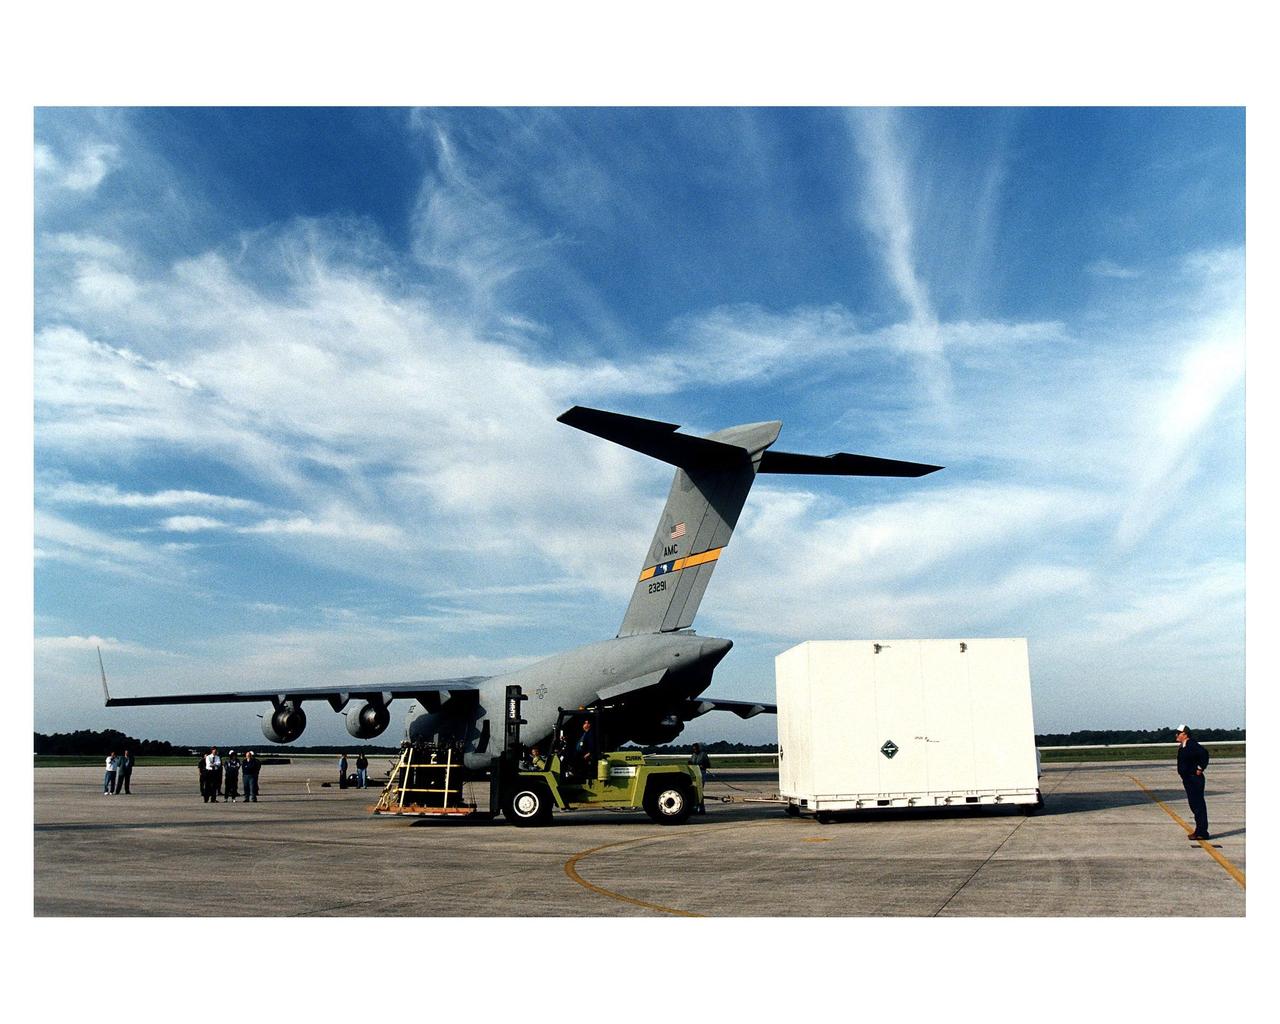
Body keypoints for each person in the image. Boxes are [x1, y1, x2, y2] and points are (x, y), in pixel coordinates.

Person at [1177, 724, 1211, 840]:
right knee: (1194, 805)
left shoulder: (1191, 744)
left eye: (1178, 733)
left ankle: (1202, 832)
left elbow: (1204, 754)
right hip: (1188, 779)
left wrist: (1200, 768)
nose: (1176, 735)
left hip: (1194, 779)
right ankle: (1200, 830)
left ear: (1185, 734)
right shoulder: (1184, 746)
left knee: (1198, 805)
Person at [689, 743, 711, 814]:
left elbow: (708, 764)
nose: (695, 750)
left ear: (699, 748)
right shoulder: (693, 755)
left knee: (700, 791)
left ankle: (701, 808)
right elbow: (690, 762)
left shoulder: (703, 754)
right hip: (694, 774)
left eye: (696, 749)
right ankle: (695, 807)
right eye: (693, 749)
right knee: (695, 791)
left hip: (701, 773)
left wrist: (702, 766)